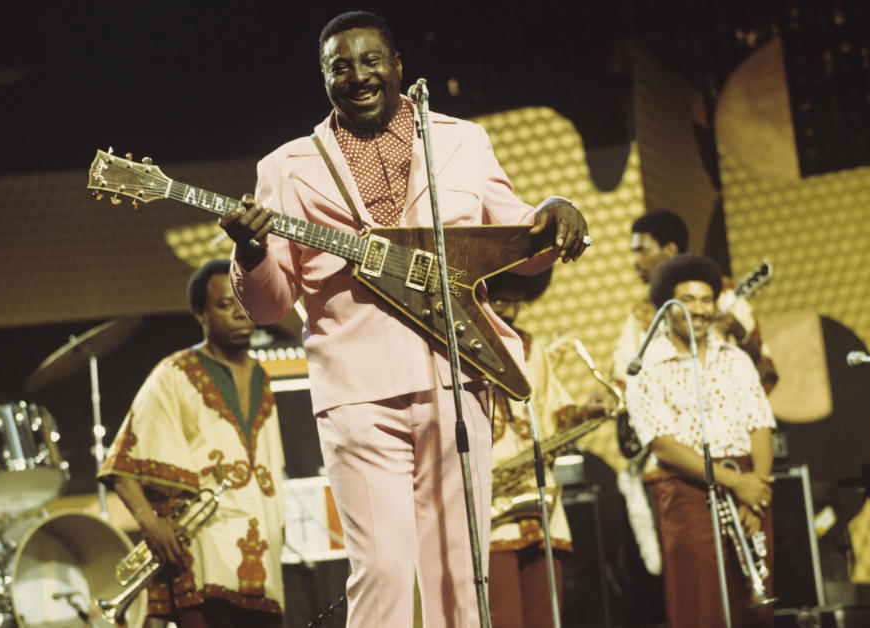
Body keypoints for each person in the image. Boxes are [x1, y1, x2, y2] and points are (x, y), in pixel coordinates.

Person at [217, 11, 590, 628]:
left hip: (456, 375)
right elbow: (270, 305)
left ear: (398, 69)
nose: (358, 76)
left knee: (460, 569)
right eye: (340, 66)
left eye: (371, 61)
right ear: (324, 77)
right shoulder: (285, 166)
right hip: (355, 390)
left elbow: (518, 238)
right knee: (384, 569)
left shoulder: (461, 141)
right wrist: (252, 252)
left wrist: (554, 210)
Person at [98, 259, 285, 627]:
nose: (239, 313)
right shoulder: (175, 372)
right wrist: (150, 524)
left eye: (244, 301)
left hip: (262, 556)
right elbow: (121, 465)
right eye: (224, 304)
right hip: (201, 554)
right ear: (200, 313)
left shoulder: (264, 378)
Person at [625, 253, 776, 628]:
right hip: (688, 490)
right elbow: (661, 443)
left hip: (749, 486)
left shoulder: (736, 359)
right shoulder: (646, 365)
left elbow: (760, 424)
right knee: (701, 603)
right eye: (688, 300)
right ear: (666, 306)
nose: (699, 309)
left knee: (754, 606)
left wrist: (756, 490)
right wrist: (737, 483)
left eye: (707, 300)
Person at [485, 269, 608, 628]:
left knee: (547, 617)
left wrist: (587, 412)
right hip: (487, 503)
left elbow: (555, 412)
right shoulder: (452, 348)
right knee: (502, 617)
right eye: (499, 301)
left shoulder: (531, 348)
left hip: (539, 500)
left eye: (515, 303)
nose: (508, 312)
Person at [613, 209, 777, 391]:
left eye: (641, 251)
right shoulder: (642, 312)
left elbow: (765, 372)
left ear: (670, 250)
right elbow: (623, 378)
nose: (635, 260)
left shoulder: (724, 294)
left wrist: (739, 332)